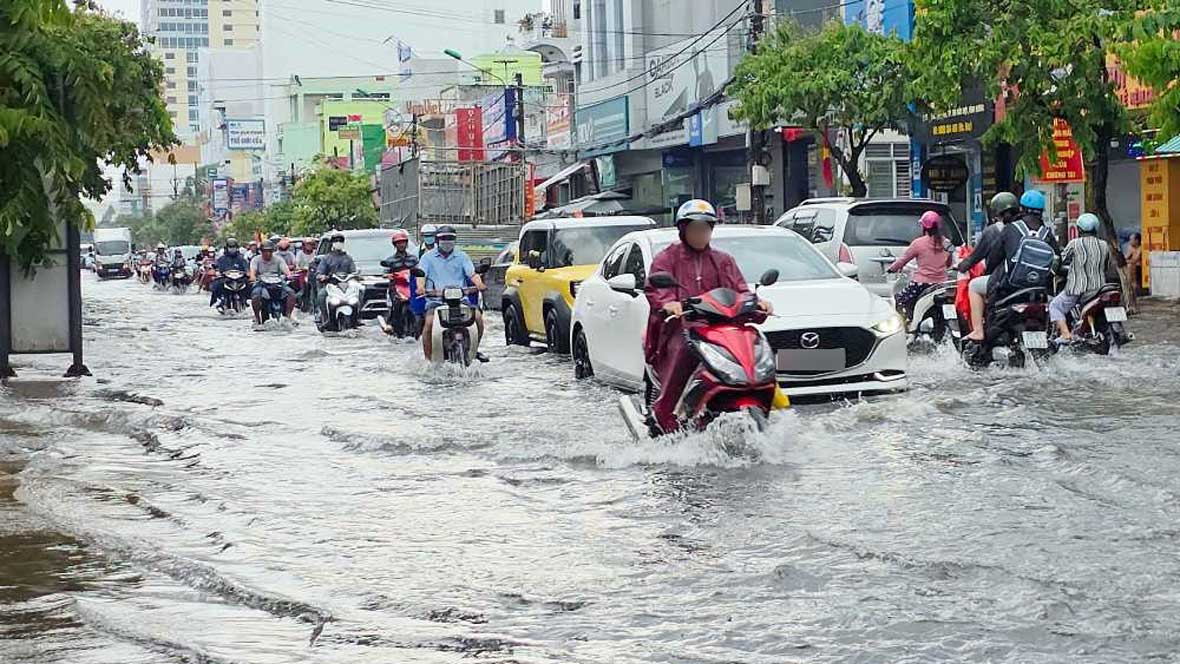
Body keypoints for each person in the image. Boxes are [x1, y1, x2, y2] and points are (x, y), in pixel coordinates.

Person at [644, 199, 773, 435]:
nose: (701, 233)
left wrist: (757, 303)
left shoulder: (723, 260)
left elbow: (740, 290)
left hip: (721, 328)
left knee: (753, 341)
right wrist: (669, 304)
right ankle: (664, 411)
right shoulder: (667, 258)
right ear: (683, 230)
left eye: (705, 228)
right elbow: (657, 290)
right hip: (683, 328)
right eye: (695, 228)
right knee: (685, 348)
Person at [956, 192, 1021, 341]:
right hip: (1028, 282)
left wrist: (961, 266)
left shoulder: (994, 231)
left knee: (974, 286)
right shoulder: (1025, 228)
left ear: (996, 211)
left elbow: (977, 257)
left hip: (1003, 280)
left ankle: (978, 331)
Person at [417, 225, 486, 362]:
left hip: (461, 300)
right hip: (436, 301)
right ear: (437, 240)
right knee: (429, 324)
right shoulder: (427, 258)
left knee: (477, 318)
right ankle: (428, 358)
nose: (447, 242)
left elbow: (472, 273)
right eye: (444, 238)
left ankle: (474, 349)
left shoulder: (462, 256)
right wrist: (421, 287)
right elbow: (421, 276)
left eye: (450, 238)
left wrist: (479, 284)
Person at [983, 189, 1060, 303]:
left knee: (974, 286)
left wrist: (989, 271)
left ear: (1021, 208)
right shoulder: (1046, 233)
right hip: (1039, 290)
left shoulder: (1010, 229)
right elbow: (1057, 260)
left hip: (1010, 287)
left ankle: (979, 322)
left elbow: (994, 258)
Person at [1050, 213, 1116, 344]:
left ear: (1079, 229)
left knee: (1055, 306)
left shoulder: (1074, 244)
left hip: (1078, 288)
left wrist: (1054, 270)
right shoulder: (1104, 245)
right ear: (1096, 229)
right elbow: (1107, 266)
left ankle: (1065, 334)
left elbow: (1061, 260)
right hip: (1099, 288)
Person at [887, 210, 952, 320]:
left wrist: (892, 269)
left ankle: (909, 324)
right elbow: (949, 263)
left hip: (921, 284)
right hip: (942, 285)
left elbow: (903, 260)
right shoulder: (947, 243)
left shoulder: (918, 243)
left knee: (900, 299)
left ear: (924, 227)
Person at [379, 229, 418, 336]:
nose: (401, 245)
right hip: (396, 287)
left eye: (403, 242)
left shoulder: (413, 259)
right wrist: (389, 275)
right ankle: (392, 324)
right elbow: (385, 272)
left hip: (410, 286)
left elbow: (419, 271)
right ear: (395, 245)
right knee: (396, 303)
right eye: (399, 243)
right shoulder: (390, 260)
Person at [249, 240, 296, 324]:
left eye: (270, 251)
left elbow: (285, 269)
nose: (268, 253)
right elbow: (253, 270)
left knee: (291, 293)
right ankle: (257, 317)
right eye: (265, 251)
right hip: (261, 282)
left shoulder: (278, 259)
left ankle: (289, 315)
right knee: (255, 295)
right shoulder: (256, 260)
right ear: (261, 251)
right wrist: (252, 277)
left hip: (278, 281)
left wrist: (289, 275)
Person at [315, 232, 357, 322]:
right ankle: (325, 317)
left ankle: (357, 317)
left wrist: (355, 276)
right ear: (332, 243)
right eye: (336, 241)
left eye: (340, 241)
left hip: (347, 286)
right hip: (332, 285)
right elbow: (319, 272)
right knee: (321, 295)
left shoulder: (348, 258)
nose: (338, 243)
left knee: (359, 292)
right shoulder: (326, 258)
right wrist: (322, 277)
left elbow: (354, 271)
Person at [209, 238, 249, 311]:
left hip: (239, 279)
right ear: (226, 248)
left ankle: (245, 300)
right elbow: (217, 268)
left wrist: (247, 273)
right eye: (230, 247)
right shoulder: (222, 259)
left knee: (249, 285)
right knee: (216, 285)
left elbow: (246, 268)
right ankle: (220, 300)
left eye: (233, 247)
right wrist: (217, 272)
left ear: (237, 248)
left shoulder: (241, 259)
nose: (232, 249)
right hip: (226, 279)